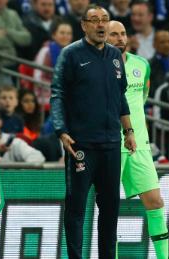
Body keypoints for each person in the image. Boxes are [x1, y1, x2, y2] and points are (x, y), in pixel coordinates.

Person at [50, 5, 136, 258]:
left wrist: (128, 131)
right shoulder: (71, 54)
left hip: (111, 145)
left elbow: (121, 96)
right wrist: (60, 130)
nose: (101, 25)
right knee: (76, 209)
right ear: (84, 25)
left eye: (105, 20)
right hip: (81, 145)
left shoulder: (114, 55)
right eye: (95, 20)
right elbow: (57, 93)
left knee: (110, 210)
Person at [107, 20, 169, 259]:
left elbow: (141, 98)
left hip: (139, 145)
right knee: (110, 209)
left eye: (123, 34)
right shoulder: (97, 67)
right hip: (110, 145)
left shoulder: (142, 65)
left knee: (155, 201)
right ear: (105, 37)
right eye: (114, 34)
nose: (120, 38)